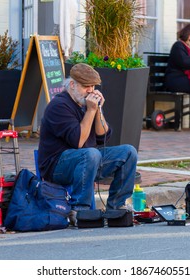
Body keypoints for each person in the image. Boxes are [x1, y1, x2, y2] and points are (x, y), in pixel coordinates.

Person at [38, 63, 137, 225]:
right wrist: (90, 111)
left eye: (93, 86)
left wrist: (97, 110)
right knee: (91, 153)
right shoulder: (59, 106)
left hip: (88, 161)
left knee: (128, 152)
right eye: (86, 86)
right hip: (57, 167)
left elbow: (103, 136)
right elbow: (77, 141)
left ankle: (116, 207)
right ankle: (81, 211)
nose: (91, 91)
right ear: (72, 85)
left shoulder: (86, 104)